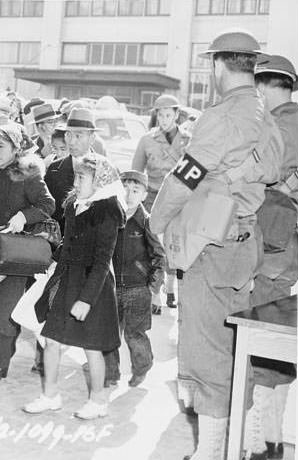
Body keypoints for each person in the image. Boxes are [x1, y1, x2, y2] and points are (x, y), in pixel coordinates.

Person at [149, 30, 283, 460]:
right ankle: (245, 439)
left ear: (218, 65)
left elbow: (187, 175)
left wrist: (158, 219)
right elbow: (275, 170)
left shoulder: (221, 116)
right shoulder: (265, 114)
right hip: (245, 242)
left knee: (207, 349)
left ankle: (210, 450)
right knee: (234, 345)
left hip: (212, 242)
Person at [23, 153, 126, 420]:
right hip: (68, 281)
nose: (76, 181)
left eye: (82, 177)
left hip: (94, 286)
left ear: (100, 181)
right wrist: (52, 266)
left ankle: (98, 400)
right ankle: (50, 395)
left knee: (92, 347)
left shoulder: (108, 211)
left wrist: (87, 299)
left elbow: (103, 261)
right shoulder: (74, 206)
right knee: (51, 340)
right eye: (77, 176)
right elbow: (69, 248)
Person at [243, 54, 298, 460]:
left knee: (259, 337)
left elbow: (258, 175)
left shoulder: (280, 125)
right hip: (286, 250)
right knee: (277, 343)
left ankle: (257, 443)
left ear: (264, 86)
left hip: (273, 249)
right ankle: (273, 439)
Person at [0, 123, 54, 383]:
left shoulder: (27, 174)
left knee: (2, 310)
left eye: (1, 146)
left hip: (17, 254)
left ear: (16, 148)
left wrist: (23, 215)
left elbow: (47, 204)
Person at [103, 170, 165, 388]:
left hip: (138, 288)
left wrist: (153, 288)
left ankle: (142, 367)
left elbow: (159, 256)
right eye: (125, 189)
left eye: (135, 190)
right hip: (109, 287)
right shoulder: (110, 218)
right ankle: (110, 374)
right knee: (108, 334)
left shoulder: (147, 222)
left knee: (134, 334)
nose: (129, 194)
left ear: (144, 195)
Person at [132, 94, 191, 313]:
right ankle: (154, 294)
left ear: (177, 115)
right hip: (152, 198)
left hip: (179, 200)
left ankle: (173, 289)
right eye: (160, 115)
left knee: (176, 244)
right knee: (153, 246)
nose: (164, 119)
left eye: (168, 115)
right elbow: (136, 172)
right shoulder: (147, 140)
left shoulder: (188, 140)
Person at [31, 103, 62, 167]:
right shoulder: (32, 147)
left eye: (56, 121)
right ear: (40, 126)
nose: (55, 124)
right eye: (50, 122)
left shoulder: (63, 139)